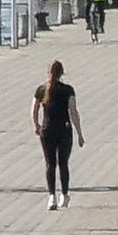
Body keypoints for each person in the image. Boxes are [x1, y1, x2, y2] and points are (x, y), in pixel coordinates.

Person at [31, 60, 84, 211]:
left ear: (48, 73)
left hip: (47, 130)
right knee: (63, 164)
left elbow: (33, 109)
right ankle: (65, 195)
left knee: (50, 164)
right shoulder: (68, 90)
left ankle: (51, 196)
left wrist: (36, 125)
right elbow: (73, 112)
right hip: (64, 130)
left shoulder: (41, 90)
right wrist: (79, 133)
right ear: (62, 73)